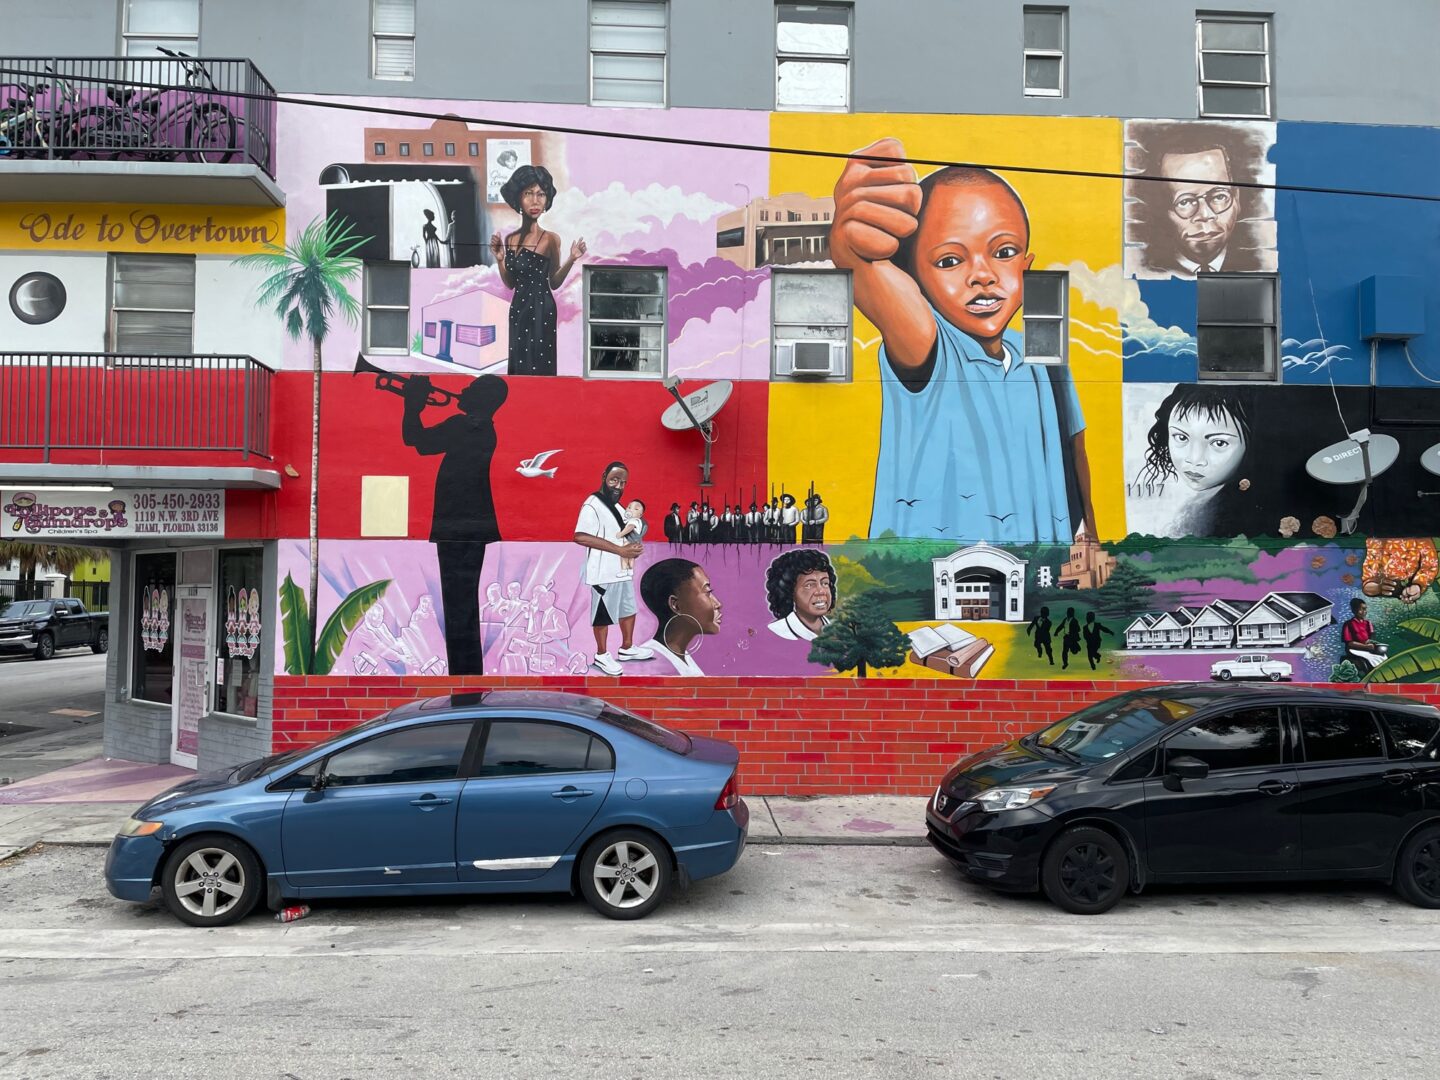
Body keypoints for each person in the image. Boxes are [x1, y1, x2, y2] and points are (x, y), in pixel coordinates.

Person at [831, 138, 1094, 543]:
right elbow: (878, 289)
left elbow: (1074, 448)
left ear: (1027, 267)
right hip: (935, 577)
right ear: (913, 278)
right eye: (950, 261)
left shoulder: (1044, 358)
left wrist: (1091, 535)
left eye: (1004, 252)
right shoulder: (930, 346)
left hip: (1043, 574)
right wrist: (855, 255)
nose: (983, 275)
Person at [401, 373, 509, 676]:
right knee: (462, 605)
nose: (461, 390)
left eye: (470, 389)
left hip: (457, 526)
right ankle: (466, 672)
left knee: (457, 605)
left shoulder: (465, 425)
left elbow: (417, 441)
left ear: (482, 399)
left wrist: (413, 404)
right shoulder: (483, 428)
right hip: (471, 527)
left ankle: (463, 675)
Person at [1129, 127, 1269, 278]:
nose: (1206, 215)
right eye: (1186, 202)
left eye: (1219, 197)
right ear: (1162, 209)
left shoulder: (1259, 266)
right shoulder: (1146, 270)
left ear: (1237, 198)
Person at [490, 164, 586, 377]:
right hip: (518, 307)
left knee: (539, 365)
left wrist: (572, 258)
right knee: (519, 367)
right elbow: (511, 283)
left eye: (541, 194)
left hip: (542, 307)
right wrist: (500, 260)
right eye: (529, 193)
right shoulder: (510, 239)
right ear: (518, 198)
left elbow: (553, 282)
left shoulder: (551, 239)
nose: (535, 201)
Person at [1133, 384, 1253, 535]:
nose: (1194, 459)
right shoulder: (1202, 502)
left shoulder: (1233, 516)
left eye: (1219, 443)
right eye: (1181, 437)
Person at [572, 462, 653, 675]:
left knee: (628, 609)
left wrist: (634, 545)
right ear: (604, 476)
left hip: (622, 570)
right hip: (603, 572)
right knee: (602, 614)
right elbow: (580, 536)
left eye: (624, 482)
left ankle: (627, 648)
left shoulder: (618, 506)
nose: (619, 485)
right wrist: (619, 550)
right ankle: (601, 655)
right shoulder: (592, 505)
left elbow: (628, 527)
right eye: (615, 479)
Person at [634, 558, 723, 676]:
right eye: (707, 592)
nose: (718, 604)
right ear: (676, 605)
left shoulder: (682, 657)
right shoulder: (652, 662)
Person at [765, 548, 836, 642]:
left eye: (825, 583)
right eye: (809, 585)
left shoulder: (840, 631)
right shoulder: (776, 632)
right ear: (789, 592)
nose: (821, 591)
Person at [1341, 597, 1387, 675]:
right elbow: (1349, 643)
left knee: (1383, 657)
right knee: (1372, 659)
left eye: (1365, 609)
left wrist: (1370, 642)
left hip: (1367, 647)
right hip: (1354, 649)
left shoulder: (1368, 623)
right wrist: (1365, 647)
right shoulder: (1348, 624)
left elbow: (1372, 636)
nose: (1364, 612)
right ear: (1354, 610)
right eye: (1361, 609)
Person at [617, 498, 647, 572]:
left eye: (636, 509)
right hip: (636, 543)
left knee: (623, 556)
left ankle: (624, 571)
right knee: (631, 557)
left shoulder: (634, 520)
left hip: (628, 543)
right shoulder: (637, 521)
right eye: (629, 507)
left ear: (640, 515)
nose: (631, 510)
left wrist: (621, 534)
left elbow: (630, 527)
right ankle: (630, 571)